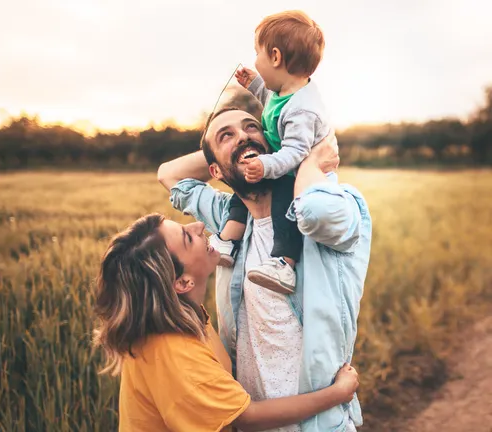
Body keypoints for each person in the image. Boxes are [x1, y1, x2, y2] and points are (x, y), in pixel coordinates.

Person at [157, 107, 372, 431]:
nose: (243, 135)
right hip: (254, 422)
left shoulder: (335, 208)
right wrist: (230, 152)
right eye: (227, 134)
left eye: (251, 127)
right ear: (214, 170)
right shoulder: (229, 222)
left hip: (317, 424)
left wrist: (302, 156)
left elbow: (316, 211)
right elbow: (168, 174)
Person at [92, 213, 360, 431]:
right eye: (187, 237)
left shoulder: (184, 317)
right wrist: (337, 394)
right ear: (183, 282)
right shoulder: (176, 353)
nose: (198, 225)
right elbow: (247, 416)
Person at [210, 10, 329, 296]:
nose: (255, 60)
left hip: (299, 174)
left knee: (284, 207)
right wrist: (254, 84)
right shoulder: (285, 91)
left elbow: (296, 151)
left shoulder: (303, 109)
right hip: (281, 162)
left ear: (275, 57)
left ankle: (284, 263)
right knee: (243, 190)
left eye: (257, 54)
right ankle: (228, 241)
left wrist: (266, 165)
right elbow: (272, 101)